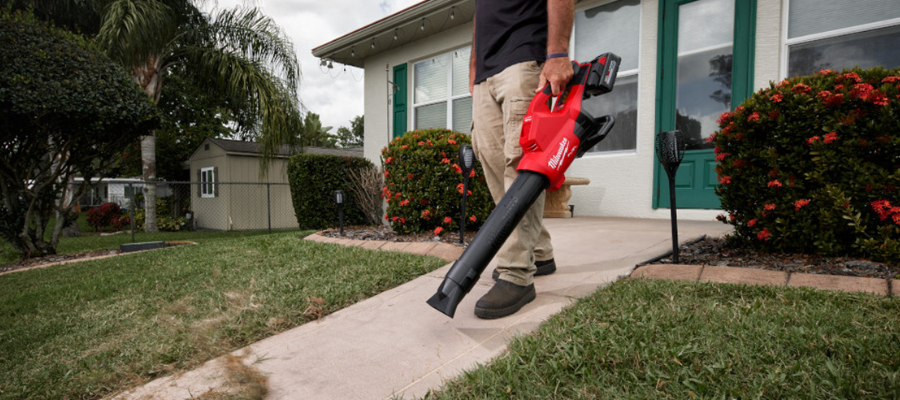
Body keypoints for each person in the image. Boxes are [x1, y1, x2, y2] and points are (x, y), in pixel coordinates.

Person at [469, 0, 575, 319]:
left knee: (521, 167)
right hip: (486, 72)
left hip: (523, 58)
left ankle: (516, 274)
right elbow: (481, 15)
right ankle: (539, 252)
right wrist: (474, 67)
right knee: (490, 161)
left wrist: (557, 52)